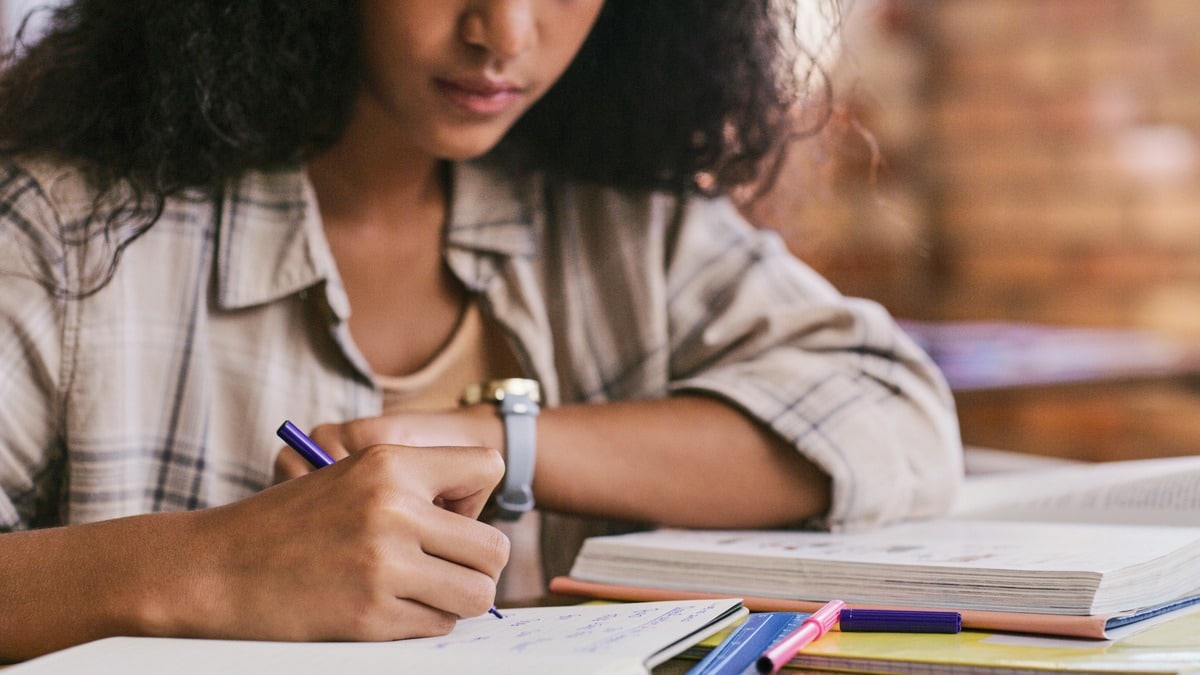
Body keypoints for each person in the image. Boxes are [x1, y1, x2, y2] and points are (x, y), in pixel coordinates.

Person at [0, 0, 963, 662]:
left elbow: (896, 407)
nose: (503, 32)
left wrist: (493, 440)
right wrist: (212, 566)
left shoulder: (624, 220)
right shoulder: (62, 230)